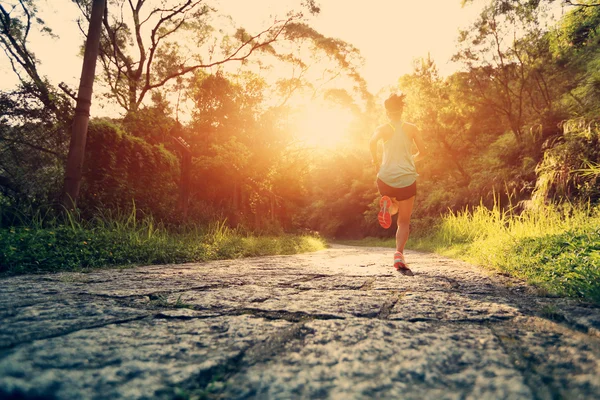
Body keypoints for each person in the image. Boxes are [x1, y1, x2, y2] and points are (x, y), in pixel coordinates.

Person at [369, 93, 426, 275]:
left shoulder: (384, 128)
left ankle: (389, 204)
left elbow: (372, 142)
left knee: (393, 204)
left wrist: (375, 162)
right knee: (403, 221)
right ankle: (399, 255)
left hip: (385, 177)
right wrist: (410, 161)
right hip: (406, 179)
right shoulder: (411, 128)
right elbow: (424, 152)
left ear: (387, 112)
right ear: (401, 110)